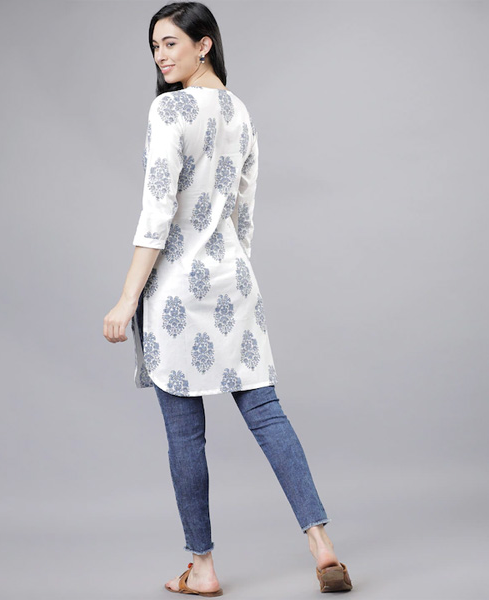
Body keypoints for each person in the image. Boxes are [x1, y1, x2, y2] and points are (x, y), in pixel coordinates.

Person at [103, 2, 352, 595]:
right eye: (154, 47)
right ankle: (322, 545)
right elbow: (243, 214)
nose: (160, 56)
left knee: (185, 435)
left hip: (173, 295)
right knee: (267, 413)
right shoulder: (240, 111)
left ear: (204, 43)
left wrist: (125, 299)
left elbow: (157, 214)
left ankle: (204, 567)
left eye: (170, 43)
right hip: (233, 284)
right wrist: (230, 272)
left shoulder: (169, 110)